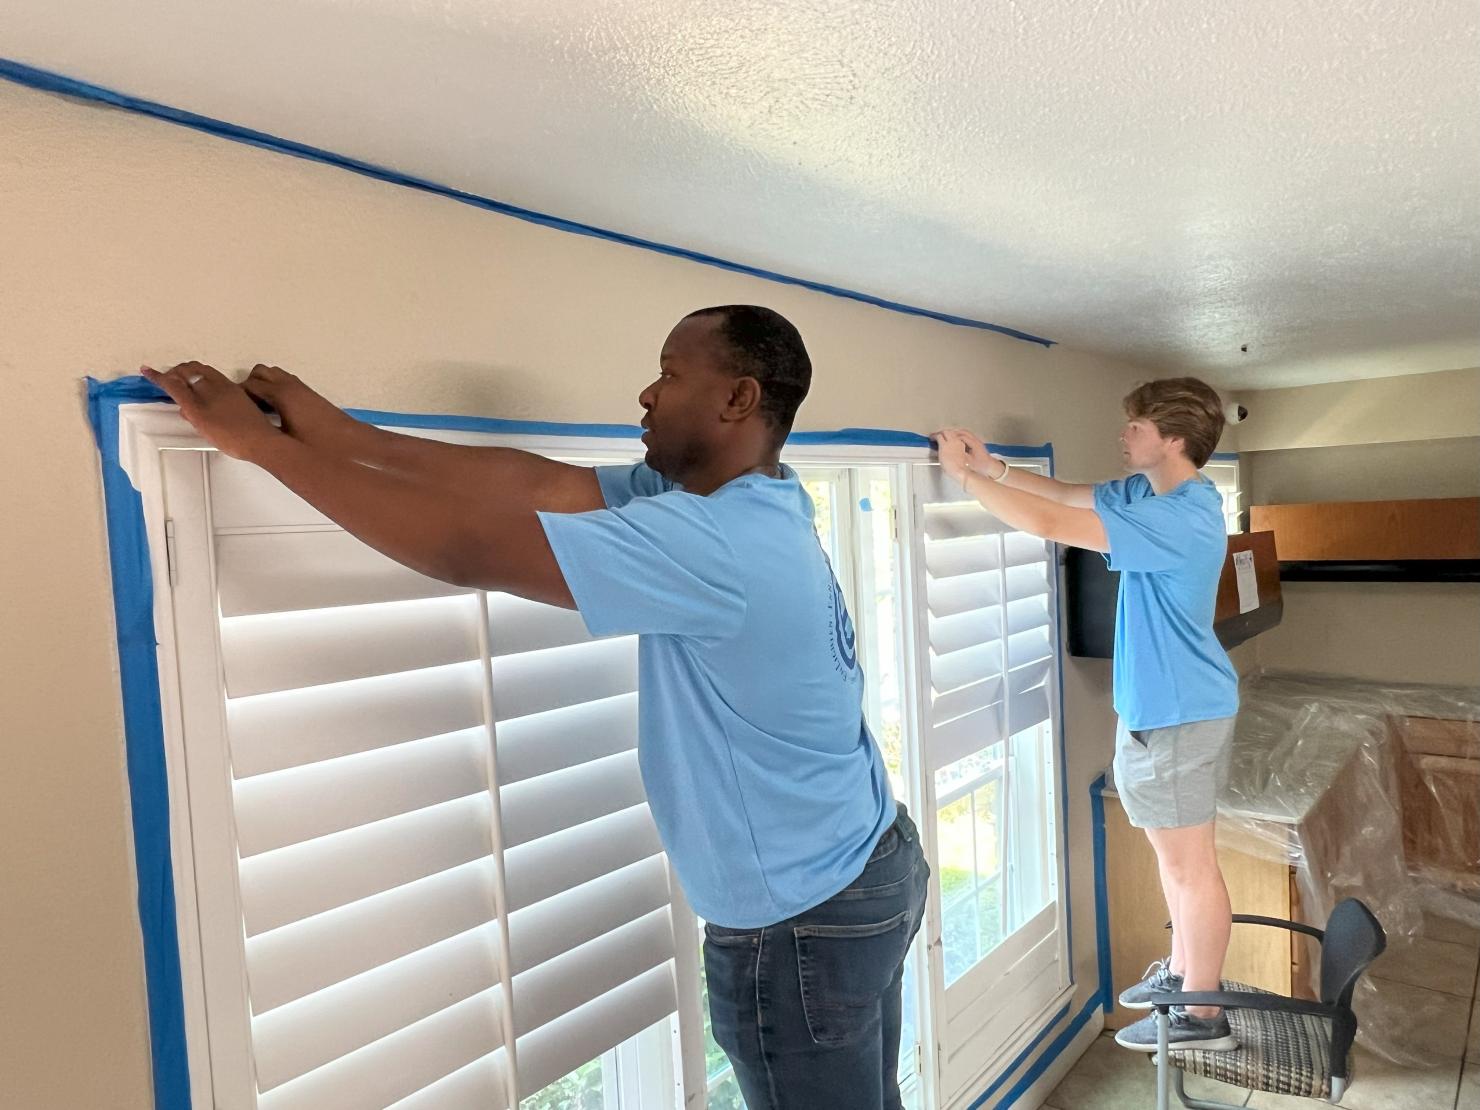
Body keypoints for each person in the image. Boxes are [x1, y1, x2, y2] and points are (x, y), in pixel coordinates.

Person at [144, 304, 929, 1109]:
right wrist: (348, 440)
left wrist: (263, 450)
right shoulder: (748, 501)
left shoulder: (709, 541)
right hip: (868, 861)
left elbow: (466, 547)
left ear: (737, 399)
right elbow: (539, 483)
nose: (646, 395)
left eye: (669, 372)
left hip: (804, 916)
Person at [932, 377, 1239, 1053]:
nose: (1124, 434)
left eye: (1136, 426)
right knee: (1172, 860)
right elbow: (1067, 495)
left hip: (1180, 712)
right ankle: (1184, 973)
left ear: (1173, 440)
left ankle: (1205, 1016)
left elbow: (1048, 525)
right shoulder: (1149, 493)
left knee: (1192, 866)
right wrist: (994, 468)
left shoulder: (1182, 516)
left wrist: (962, 480)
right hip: (1159, 708)